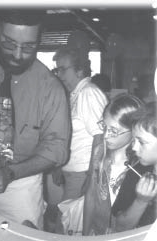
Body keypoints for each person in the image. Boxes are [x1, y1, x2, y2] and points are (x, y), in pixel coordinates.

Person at [0, 9, 71, 229]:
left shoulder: (50, 87)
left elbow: (57, 149)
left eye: (29, 47)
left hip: (20, 184)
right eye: (8, 43)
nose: (18, 55)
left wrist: (9, 173)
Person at [83, 93, 144, 236]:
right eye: (104, 126)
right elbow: (90, 196)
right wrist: (85, 235)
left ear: (134, 130)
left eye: (114, 131)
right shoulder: (100, 152)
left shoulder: (140, 167)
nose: (105, 136)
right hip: (97, 231)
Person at [52, 46, 108, 202]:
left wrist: (91, 176)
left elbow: (100, 136)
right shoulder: (75, 94)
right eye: (57, 70)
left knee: (67, 222)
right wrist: (60, 166)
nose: (59, 75)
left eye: (63, 69)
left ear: (79, 70)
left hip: (83, 172)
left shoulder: (88, 93)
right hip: (73, 171)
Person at [112, 101, 157, 232]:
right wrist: (141, 201)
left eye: (142, 142)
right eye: (134, 140)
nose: (134, 147)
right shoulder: (136, 171)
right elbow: (120, 227)